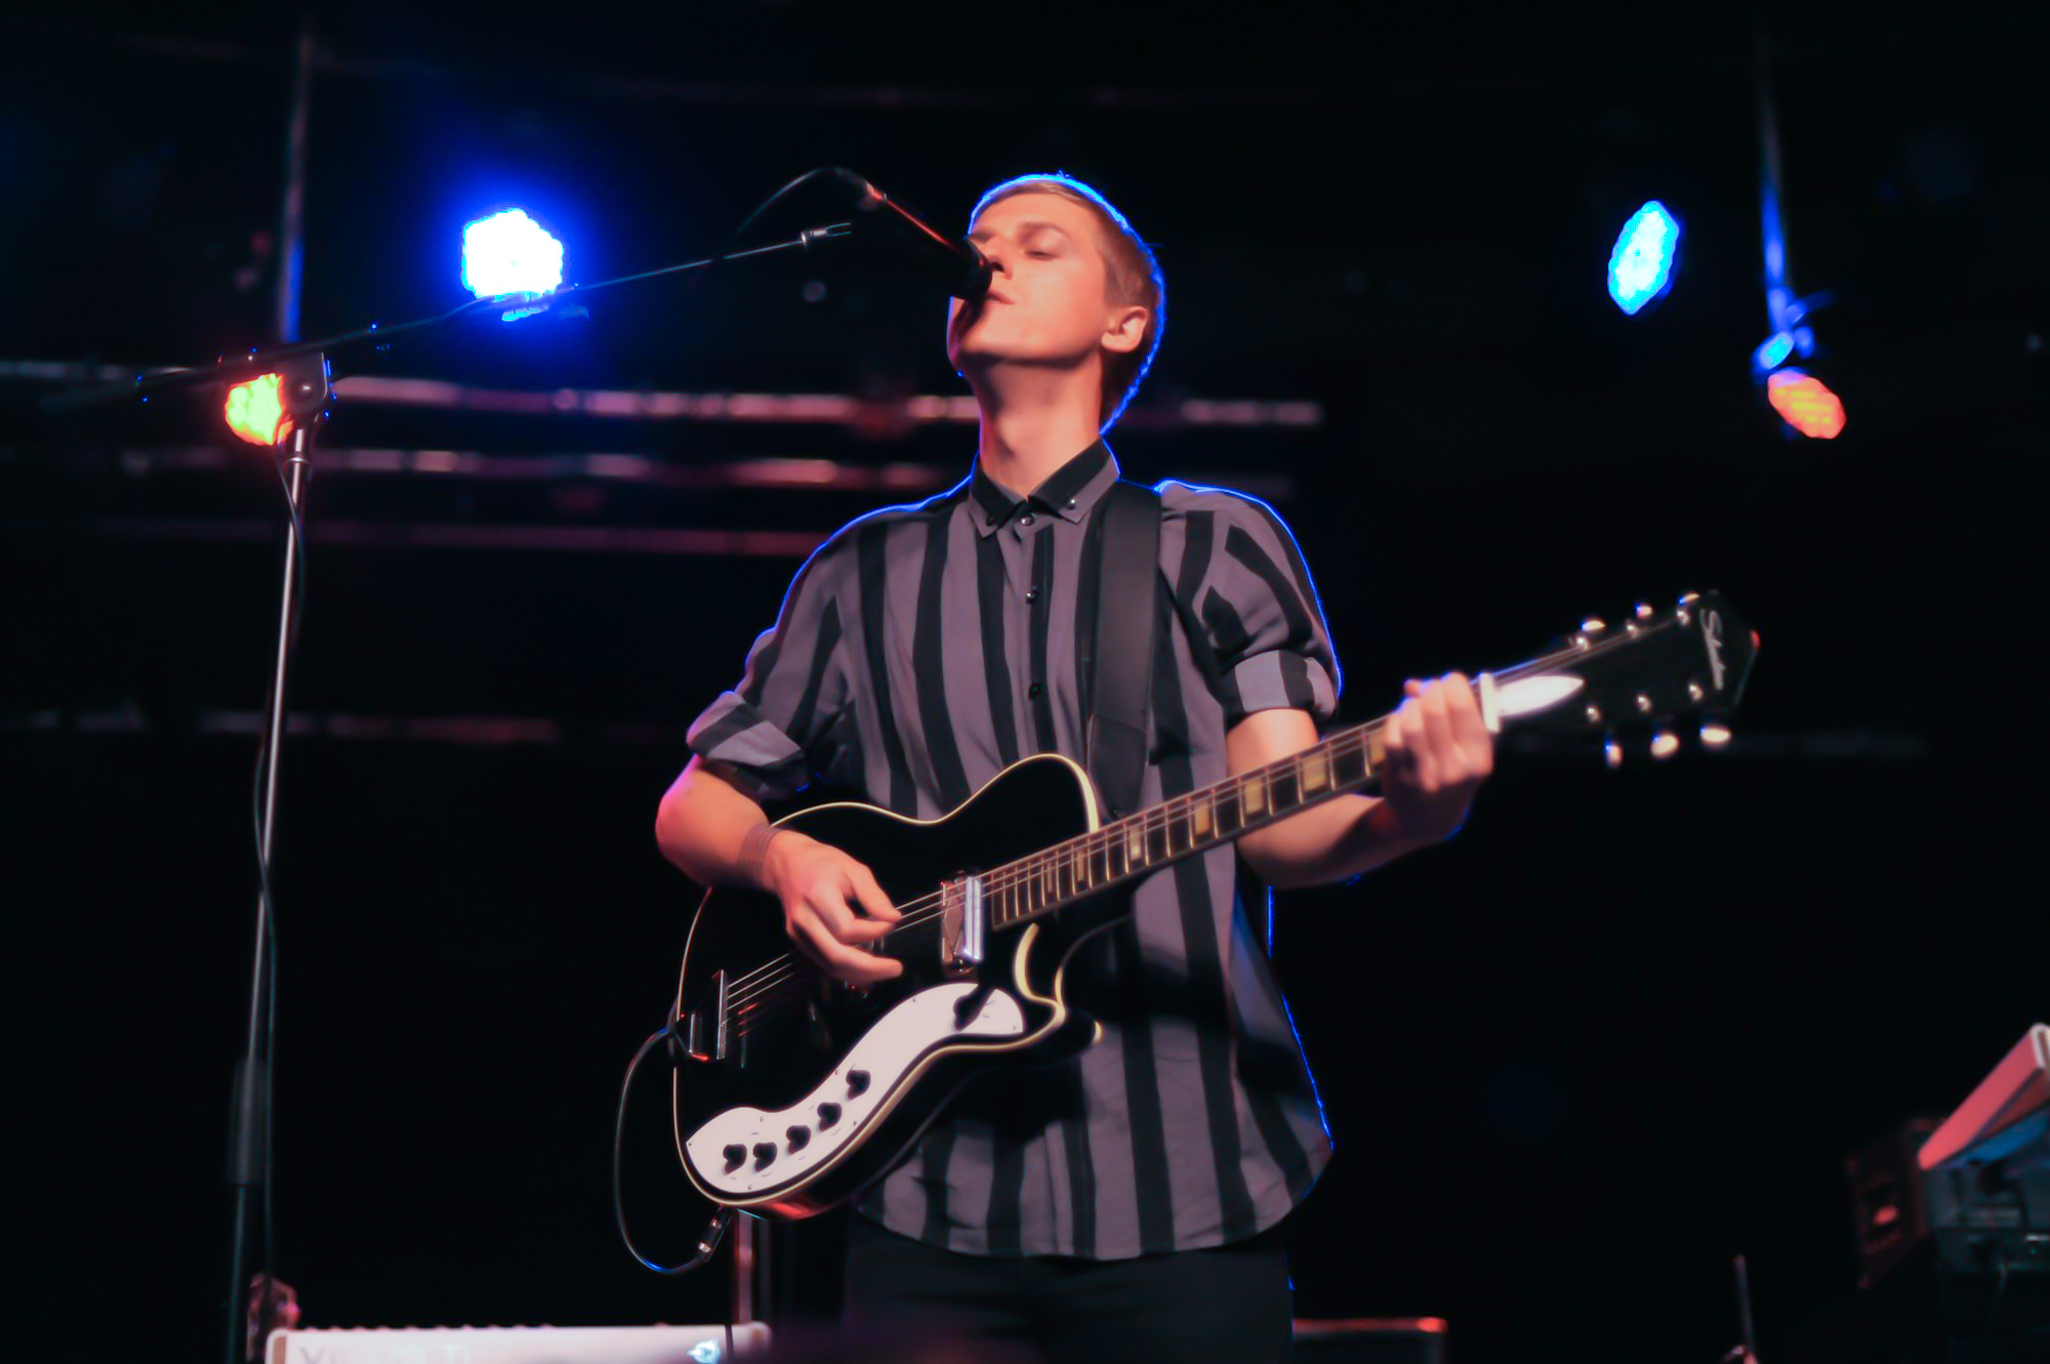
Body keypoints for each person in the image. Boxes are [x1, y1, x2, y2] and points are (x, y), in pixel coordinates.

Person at [654, 173, 1494, 1364]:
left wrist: (1415, 810)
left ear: (1124, 322)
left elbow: (1280, 825)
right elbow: (694, 805)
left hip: (1188, 1189)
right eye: (978, 244)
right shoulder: (859, 572)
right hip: (926, 1195)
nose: (988, 258)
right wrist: (780, 855)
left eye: (1038, 244)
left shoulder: (1217, 542)